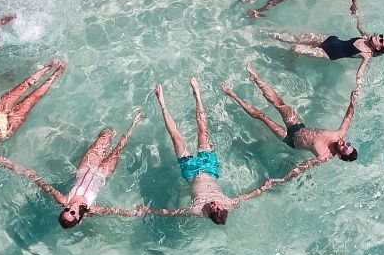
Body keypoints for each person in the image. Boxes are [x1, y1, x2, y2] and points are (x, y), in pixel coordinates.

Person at [220, 61, 365, 183]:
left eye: (345, 148)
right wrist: (353, 100)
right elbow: (348, 116)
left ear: (340, 155)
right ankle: (255, 77)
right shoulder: (339, 134)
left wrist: (280, 180)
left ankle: (232, 95)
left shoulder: (324, 155)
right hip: (298, 126)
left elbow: (302, 168)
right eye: (348, 144)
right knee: (279, 103)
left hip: (289, 139)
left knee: (262, 116)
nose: (345, 143)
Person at [154, 79, 234, 225]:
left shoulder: (197, 210)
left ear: (210, 214)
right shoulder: (228, 203)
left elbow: (170, 213)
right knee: (202, 131)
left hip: (190, 172)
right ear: (224, 208)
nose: (214, 204)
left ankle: (162, 103)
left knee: (176, 136)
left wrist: (143, 211)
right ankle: (197, 94)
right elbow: (254, 193)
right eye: (218, 206)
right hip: (209, 167)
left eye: (213, 208)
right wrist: (275, 181)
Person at [58, 109, 144, 228]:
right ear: (78, 217)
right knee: (118, 147)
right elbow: (114, 211)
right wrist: (134, 212)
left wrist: (31, 175)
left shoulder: (64, 199)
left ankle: (113, 115)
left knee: (107, 134)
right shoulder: (91, 209)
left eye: (66, 210)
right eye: (72, 213)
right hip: (103, 173)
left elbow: (46, 187)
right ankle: (135, 123)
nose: (70, 209)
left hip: (86, 166)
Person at [264, 30, 384, 62]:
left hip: (329, 54)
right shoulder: (366, 38)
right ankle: (266, 34)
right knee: (296, 38)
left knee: (296, 48)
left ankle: (289, 61)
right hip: (331, 40)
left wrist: (357, 89)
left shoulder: (366, 55)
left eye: (381, 41)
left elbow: (361, 72)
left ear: (378, 48)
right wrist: (355, 11)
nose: (379, 38)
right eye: (381, 36)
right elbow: (359, 26)